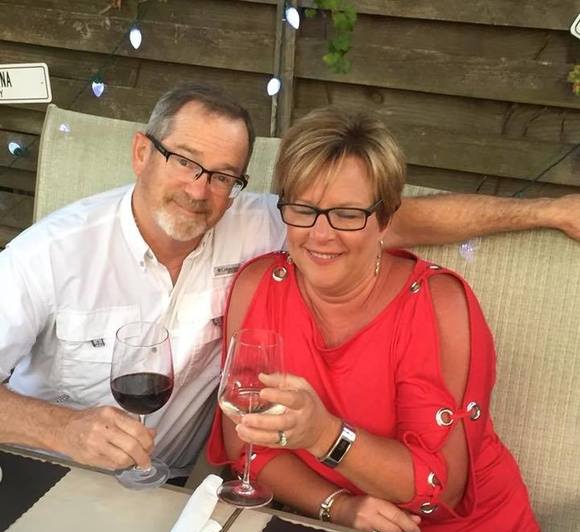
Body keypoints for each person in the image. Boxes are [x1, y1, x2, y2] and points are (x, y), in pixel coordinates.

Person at [0, 83, 578, 479]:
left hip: (168, 490)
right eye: (185, 161)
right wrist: (63, 429)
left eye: (223, 175)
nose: (200, 190)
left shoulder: (265, 222)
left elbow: (393, 219)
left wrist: (548, 211)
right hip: (43, 473)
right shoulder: (48, 255)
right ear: (140, 153)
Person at [207, 106, 549, 532]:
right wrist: (336, 506)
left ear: (385, 219)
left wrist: (325, 435)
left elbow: (439, 490)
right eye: (304, 209)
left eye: (347, 214)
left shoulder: (437, 304)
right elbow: (247, 444)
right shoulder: (258, 285)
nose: (320, 234)